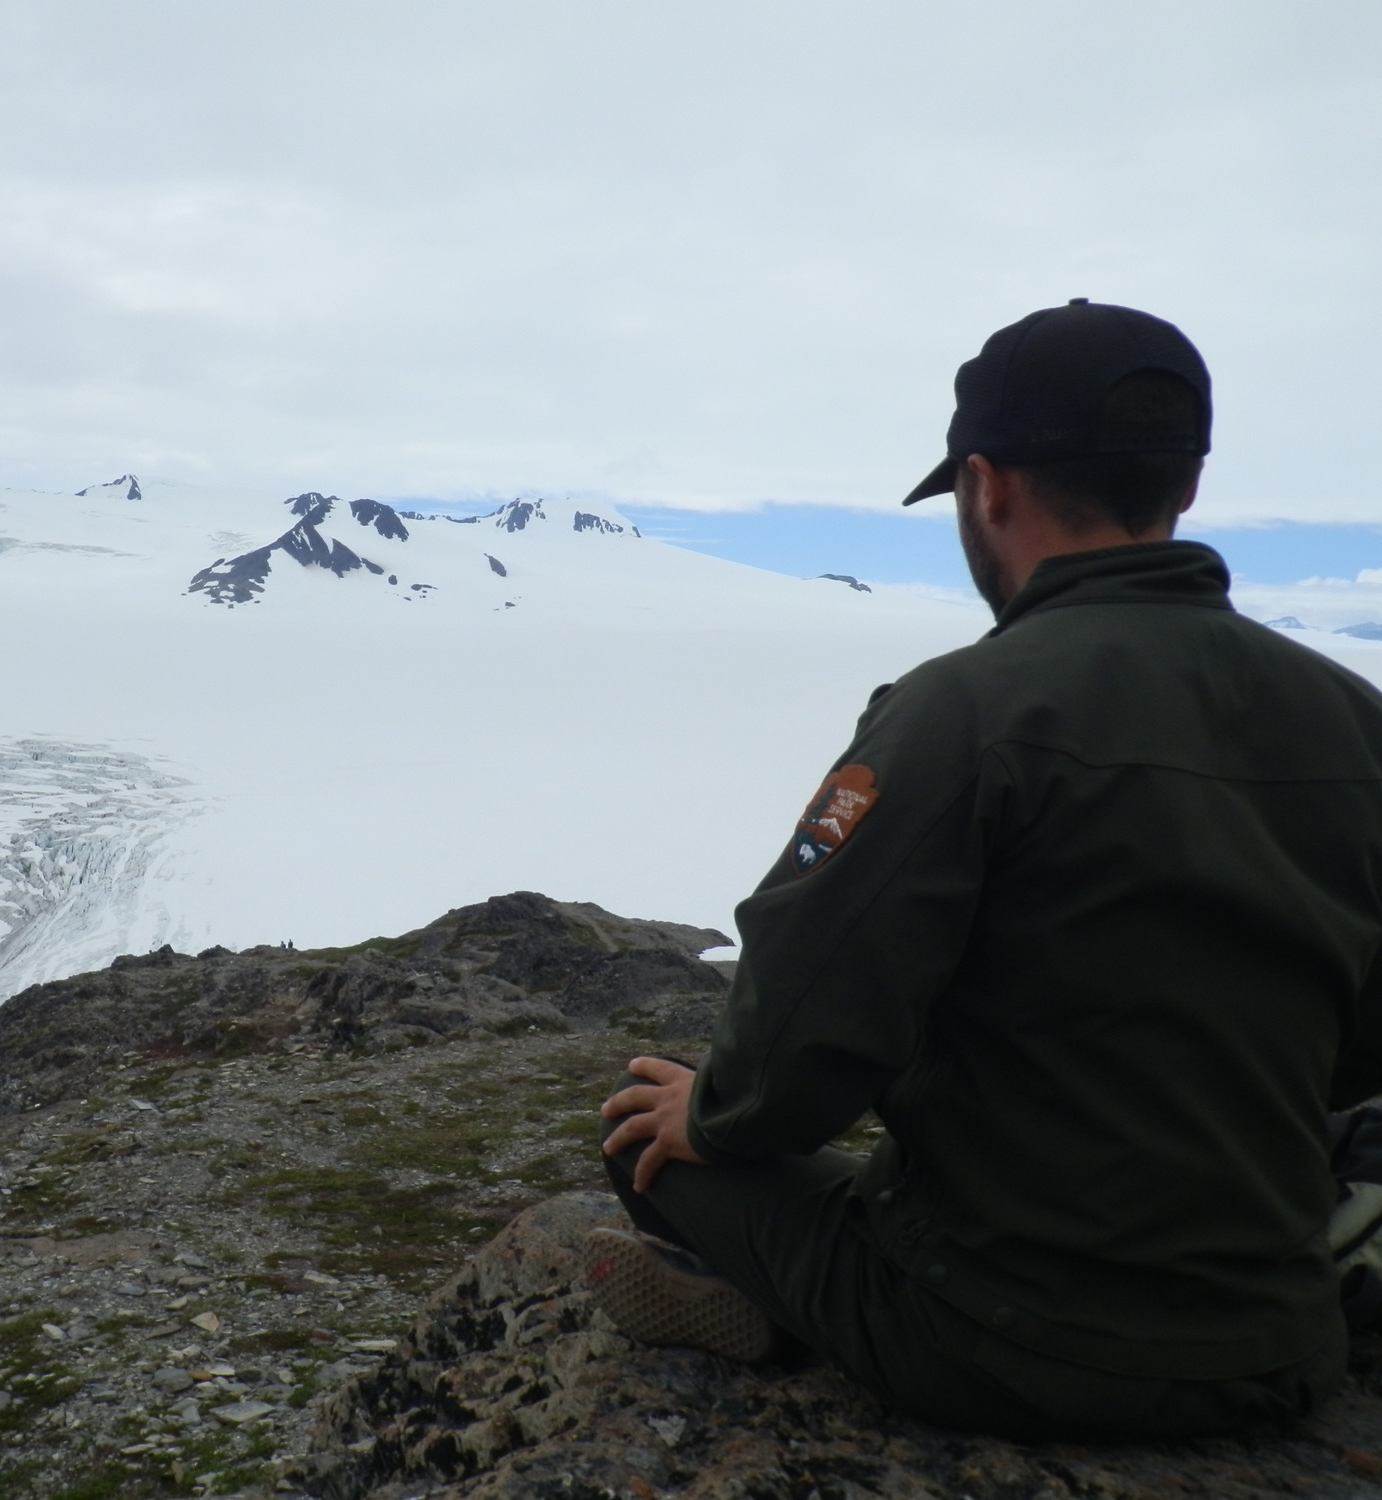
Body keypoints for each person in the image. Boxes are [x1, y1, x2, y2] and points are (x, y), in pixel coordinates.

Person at [590, 299, 1382, 1440]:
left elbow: (802, 1027)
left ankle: (773, 1313)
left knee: (643, 1141)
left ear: (986, 485)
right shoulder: (1353, 721)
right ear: (1184, 485)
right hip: (1275, 1343)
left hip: (997, 1344)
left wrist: (715, 1115)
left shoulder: (955, 715)